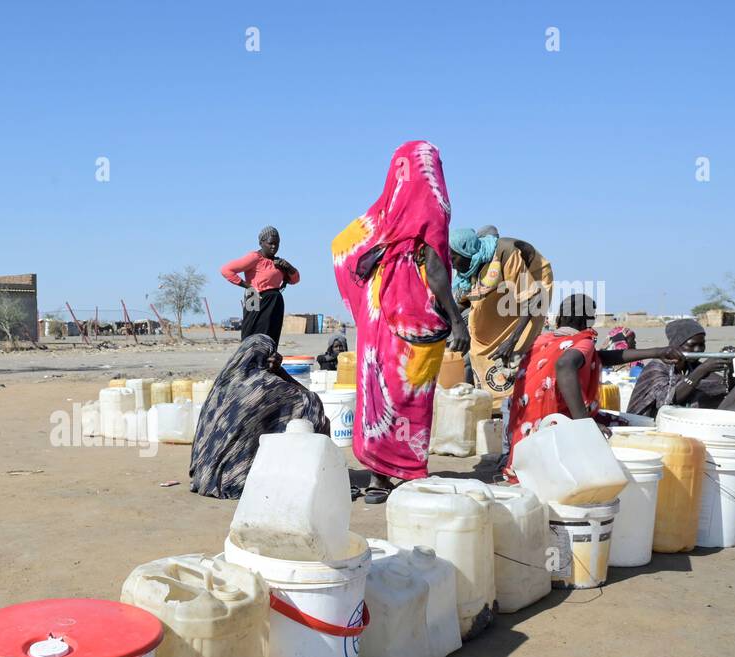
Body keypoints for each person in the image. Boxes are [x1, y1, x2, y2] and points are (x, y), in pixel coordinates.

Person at [331, 140, 470, 503]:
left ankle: (378, 478)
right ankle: (406, 472)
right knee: (410, 397)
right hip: (413, 319)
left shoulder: (384, 210)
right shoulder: (433, 203)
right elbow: (437, 270)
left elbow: (343, 245)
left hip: (379, 315)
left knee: (378, 392)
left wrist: (365, 302)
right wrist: (457, 320)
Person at [506, 295, 678, 464]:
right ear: (589, 320)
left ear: (560, 316)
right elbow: (565, 365)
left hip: (525, 439)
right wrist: (585, 424)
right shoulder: (583, 342)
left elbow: (598, 357)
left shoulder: (542, 341)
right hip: (556, 428)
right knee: (628, 430)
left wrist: (656, 352)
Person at [189, 334, 328, 499]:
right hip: (230, 480)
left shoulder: (224, 381)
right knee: (315, 417)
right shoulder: (264, 386)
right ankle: (320, 471)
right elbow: (309, 400)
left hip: (202, 475)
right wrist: (279, 371)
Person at [449, 226, 553, 403]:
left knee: (516, 347)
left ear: (465, 250)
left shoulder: (506, 253)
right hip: (505, 288)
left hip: (534, 288)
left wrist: (511, 341)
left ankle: (510, 403)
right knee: (480, 326)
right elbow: (464, 301)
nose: (451, 263)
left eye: (453, 258)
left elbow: (532, 300)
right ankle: (489, 400)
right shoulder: (473, 265)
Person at [626, 318, 732, 417]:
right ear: (676, 345)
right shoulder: (657, 367)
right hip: (644, 423)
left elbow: (725, 387)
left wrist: (730, 365)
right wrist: (702, 370)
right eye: (692, 345)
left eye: (701, 345)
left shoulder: (691, 365)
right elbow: (668, 400)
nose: (698, 350)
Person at [220, 227, 300, 348]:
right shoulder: (254, 258)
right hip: (255, 298)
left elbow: (295, 279)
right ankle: (248, 363)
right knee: (252, 335)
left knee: (271, 336)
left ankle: (266, 364)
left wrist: (289, 267)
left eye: (277, 244)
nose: (274, 247)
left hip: (275, 301)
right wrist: (248, 286)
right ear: (261, 243)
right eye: (270, 243)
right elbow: (226, 270)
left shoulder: (279, 263)